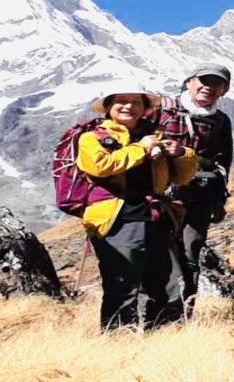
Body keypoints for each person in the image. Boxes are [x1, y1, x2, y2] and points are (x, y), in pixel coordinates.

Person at [77, 86, 198, 331]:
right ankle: (119, 340)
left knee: (166, 281)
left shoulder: (156, 136)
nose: (128, 106)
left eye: (135, 102)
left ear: (144, 108)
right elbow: (101, 166)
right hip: (116, 218)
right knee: (123, 283)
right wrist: (141, 148)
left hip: (156, 215)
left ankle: (166, 336)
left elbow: (183, 177)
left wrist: (182, 154)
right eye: (121, 101)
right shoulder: (92, 138)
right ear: (109, 107)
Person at [151, 64, 234, 317]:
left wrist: (219, 200)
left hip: (200, 198)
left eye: (216, 84)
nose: (208, 87)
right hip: (160, 194)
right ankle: (153, 313)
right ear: (189, 82)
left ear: (224, 90)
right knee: (158, 251)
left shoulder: (220, 121)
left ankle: (181, 315)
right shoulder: (162, 110)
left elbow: (224, 161)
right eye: (203, 81)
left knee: (190, 253)